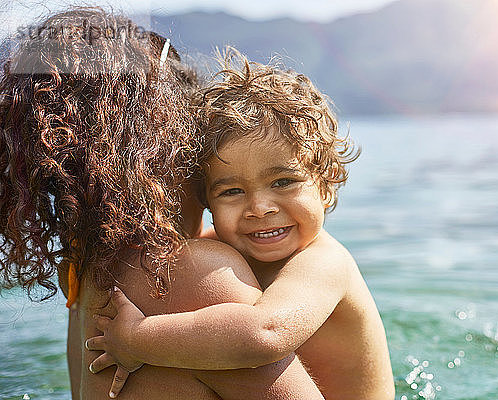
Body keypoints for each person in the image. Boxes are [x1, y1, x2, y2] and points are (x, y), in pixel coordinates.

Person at [0, 9, 324, 399]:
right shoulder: (190, 272)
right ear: (163, 151)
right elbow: (263, 333)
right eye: (196, 143)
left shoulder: (85, 273)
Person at [86, 50, 396, 400]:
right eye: (232, 191)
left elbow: (265, 333)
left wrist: (137, 339)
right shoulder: (221, 244)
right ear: (206, 202)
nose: (259, 209)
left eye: (283, 182)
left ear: (325, 184)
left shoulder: (324, 263)